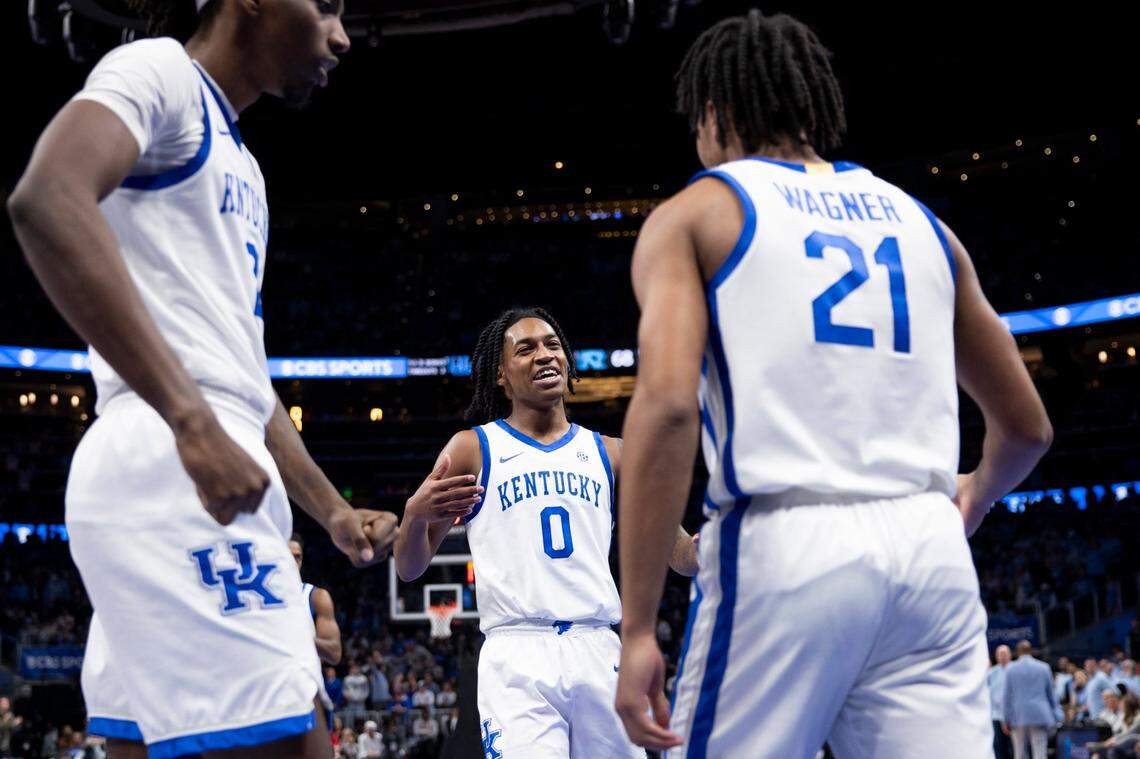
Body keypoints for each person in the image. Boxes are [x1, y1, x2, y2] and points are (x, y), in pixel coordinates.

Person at [612, 9, 1052, 758]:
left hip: (787, 542)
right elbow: (1027, 428)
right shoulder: (925, 225)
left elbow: (669, 408)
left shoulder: (699, 212)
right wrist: (974, 495)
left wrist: (637, 627)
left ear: (713, 114)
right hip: (929, 551)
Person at [7, 1, 401, 752]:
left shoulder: (245, 166)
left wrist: (332, 512)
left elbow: (241, 370)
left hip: (187, 455)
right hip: (173, 457)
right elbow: (47, 196)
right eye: (325, 6)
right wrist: (190, 420)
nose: (341, 35)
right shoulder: (160, 70)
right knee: (299, 739)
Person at [394, 307, 699, 757]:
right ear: (500, 374)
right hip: (517, 653)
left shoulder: (613, 453)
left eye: (552, 345)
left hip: (598, 646)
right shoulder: (472, 448)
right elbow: (409, 567)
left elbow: (680, 554)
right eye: (526, 349)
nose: (544, 355)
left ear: (567, 360)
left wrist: (709, 548)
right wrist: (414, 515)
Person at [1003, 641, 1058, 759]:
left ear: (1017, 652)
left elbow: (1007, 696)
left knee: (1020, 753)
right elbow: (1051, 694)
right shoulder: (1044, 667)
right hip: (1039, 714)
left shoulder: (1010, 669)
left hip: (1018, 715)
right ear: (1031, 651)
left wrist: (1006, 718)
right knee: (1040, 751)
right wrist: (1056, 714)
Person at [989, 646, 1014, 759]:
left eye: (1004, 654)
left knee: (1013, 746)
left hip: (1013, 715)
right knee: (998, 746)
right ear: (996, 656)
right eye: (1000, 654)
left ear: (1010, 655)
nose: (1002, 656)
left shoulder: (1015, 670)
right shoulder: (991, 673)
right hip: (996, 715)